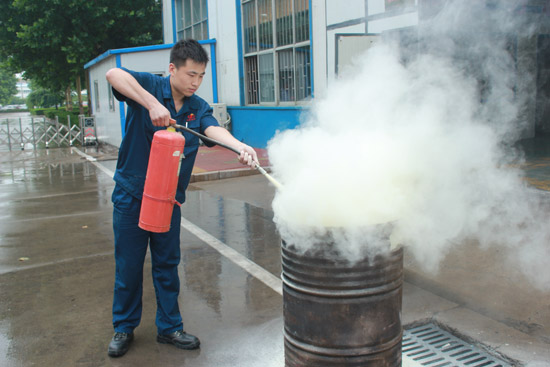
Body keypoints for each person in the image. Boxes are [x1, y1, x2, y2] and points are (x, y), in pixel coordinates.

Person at [105, 39, 259, 358]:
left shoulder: (196, 106)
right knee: (129, 266)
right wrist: (151, 104)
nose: (195, 82)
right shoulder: (150, 86)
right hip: (132, 195)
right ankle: (124, 327)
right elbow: (113, 75)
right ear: (172, 69)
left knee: (167, 265)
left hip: (167, 201)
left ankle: (170, 327)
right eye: (191, 74)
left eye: (201, 76)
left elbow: (212, 128)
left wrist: (239, 146)